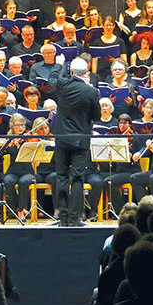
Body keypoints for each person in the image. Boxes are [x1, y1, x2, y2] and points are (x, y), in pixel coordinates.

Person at [47, 56, 101, 226]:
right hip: (81, 139)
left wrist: (59, 63)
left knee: (62, 176)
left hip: (62, 138)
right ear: (86, 72)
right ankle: (74, 218)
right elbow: (97, 116)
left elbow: (51, 78)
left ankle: (62, 217)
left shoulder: (63, 85)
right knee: (77, 178)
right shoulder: (91, 91)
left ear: (71, 71)